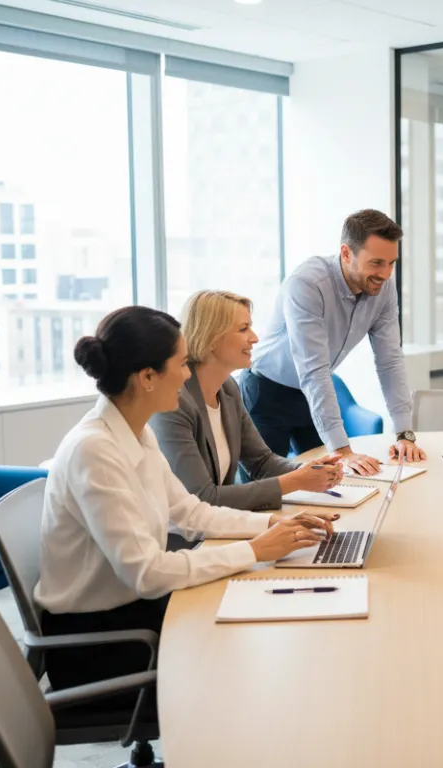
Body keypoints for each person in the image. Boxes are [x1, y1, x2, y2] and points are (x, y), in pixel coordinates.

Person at [36, 305, 337, 718]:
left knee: (262, 629)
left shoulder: (134, 432)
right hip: (101, 642)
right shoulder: (95, 450)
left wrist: (272, 523)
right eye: (179, 364)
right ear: (146, 378)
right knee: (254, 666)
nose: (186, 374)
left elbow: (192, 512)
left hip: (135, 615)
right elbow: (147, 572)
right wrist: (254, 550)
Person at [242, 209, 425, 476]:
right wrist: (342, 449)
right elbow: (313, 368)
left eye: (391, 263)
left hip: (311, 395)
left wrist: (404, 433)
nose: (385, 274)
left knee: (332, 482)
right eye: (376, 263)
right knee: (266, 491)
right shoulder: (308, 284)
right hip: (266, 392)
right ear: (347, 253)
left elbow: (390, 361)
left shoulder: (384, 289)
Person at [151, 290, 343, 512]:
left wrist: (309, 470)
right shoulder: (174, 404)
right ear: (211, 338)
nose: (255, 338)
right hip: (181, 540)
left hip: (218, 525)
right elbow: (202, 498)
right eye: (243, 329)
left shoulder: (228, 389)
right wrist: (296, 481)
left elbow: (261, 462)